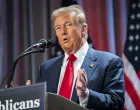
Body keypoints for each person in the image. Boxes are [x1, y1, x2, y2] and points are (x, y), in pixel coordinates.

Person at [37, 5, 125, 110]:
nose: (62, 32)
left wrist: (85, 94)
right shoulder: (46, 69)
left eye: (68, 25)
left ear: (83, 29)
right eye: (58, 28)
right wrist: (27, 97)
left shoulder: (109, 62)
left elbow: (116, 103)